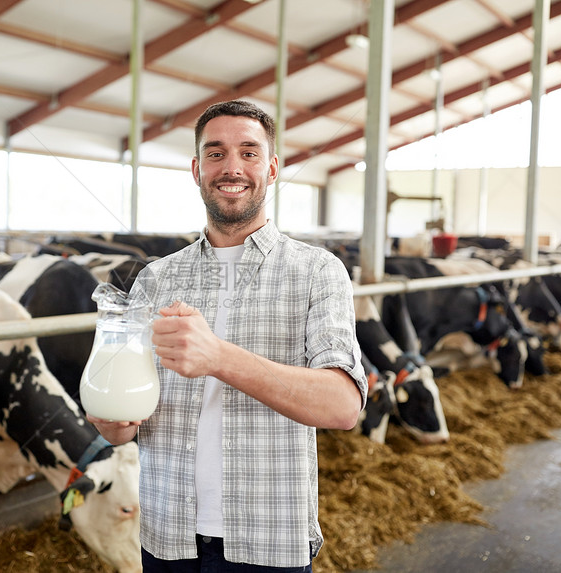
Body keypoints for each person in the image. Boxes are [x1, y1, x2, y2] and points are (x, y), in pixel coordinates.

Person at [86, 99, 367, 571]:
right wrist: (115, 420)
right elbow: (127, 422)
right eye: (215, 154)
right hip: (167, 534)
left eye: (249, 153)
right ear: (197, 169)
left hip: (268, 536)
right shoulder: (155, 279)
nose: (231, 167)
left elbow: (342, 406)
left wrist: (217, 356)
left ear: (272, 167)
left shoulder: (317, 271)